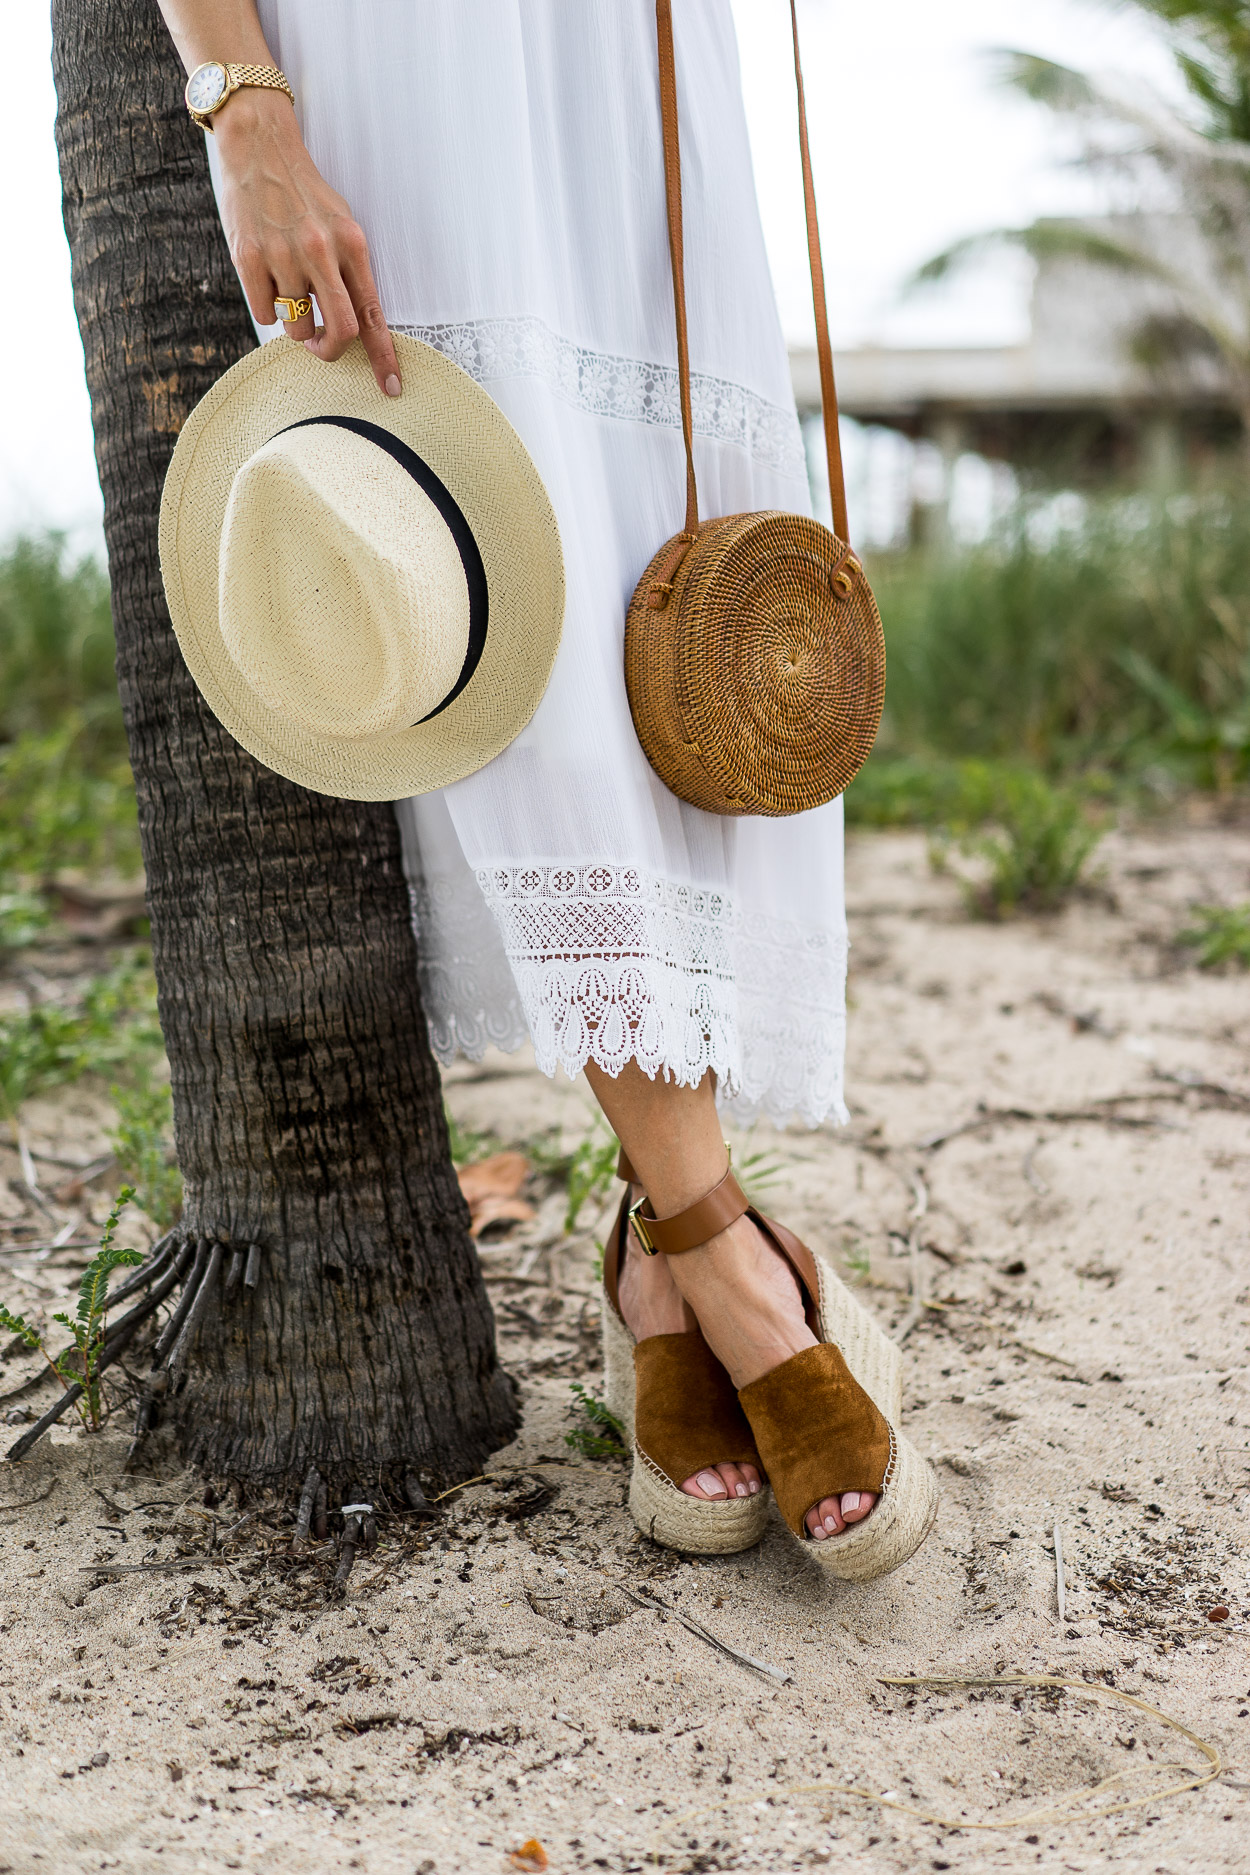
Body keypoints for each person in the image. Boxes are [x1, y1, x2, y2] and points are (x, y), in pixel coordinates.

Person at [156, 0, 934, 1578]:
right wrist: (245, 108)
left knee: (684, 637)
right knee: (532, 668)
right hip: (413, 69)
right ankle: (719, 1261)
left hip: (625, 61)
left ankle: (675, 1264)